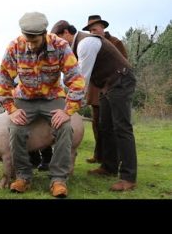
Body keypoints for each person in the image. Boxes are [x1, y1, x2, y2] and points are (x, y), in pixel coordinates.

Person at [0, 12, 85, 198]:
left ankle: (58, 179)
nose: (30, 45)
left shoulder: (61, 46)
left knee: (65, 128)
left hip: (52, 96)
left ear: (44, 34)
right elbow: (3, 79)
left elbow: (76, 80)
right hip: (25, 98)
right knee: (15, 128)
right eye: (27, 39)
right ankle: (23, 177)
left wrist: (68, 111)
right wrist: (11, 110)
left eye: (34, 41)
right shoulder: (14, 47)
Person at [51, 20, 137, 191]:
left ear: (66, 33)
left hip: (121, 80)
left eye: (57, 39)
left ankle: (129, 178)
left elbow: (81, 80)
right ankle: (109, 167)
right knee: (105, 126)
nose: (57, 44)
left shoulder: (86, 44)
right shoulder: (75, 47)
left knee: (122, 128)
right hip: (107, 85)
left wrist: (68, 108)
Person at [82, 15, 128, 164]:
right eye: (90, 30)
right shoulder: (89, 43)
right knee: (97, 124)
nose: (92, 32)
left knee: (113, 124)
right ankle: (98, 154)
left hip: (113, 85)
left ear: (103, 27)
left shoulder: (115, 42)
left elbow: (123, 62)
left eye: (95, 28)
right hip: (95, 88)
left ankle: (116, 157)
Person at [0, 76, 53, 171]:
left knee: (40, 136)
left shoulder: (20, 88)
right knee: (22, 134)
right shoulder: (3, 95)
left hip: (35, 112)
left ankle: (46, 160)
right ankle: (34, 160)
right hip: (18, 115)